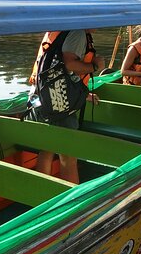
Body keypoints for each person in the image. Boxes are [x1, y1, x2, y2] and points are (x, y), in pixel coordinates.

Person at [31, 29, 105, 184]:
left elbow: (57, 68)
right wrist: (95, 66)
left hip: (42, 97)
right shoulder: (77, 33)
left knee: (46, 149)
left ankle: (42, 195)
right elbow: (69, 64)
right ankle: (73, 202)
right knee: (69, 157)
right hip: (59, 102)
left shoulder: (56, 30)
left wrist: (83, 94)